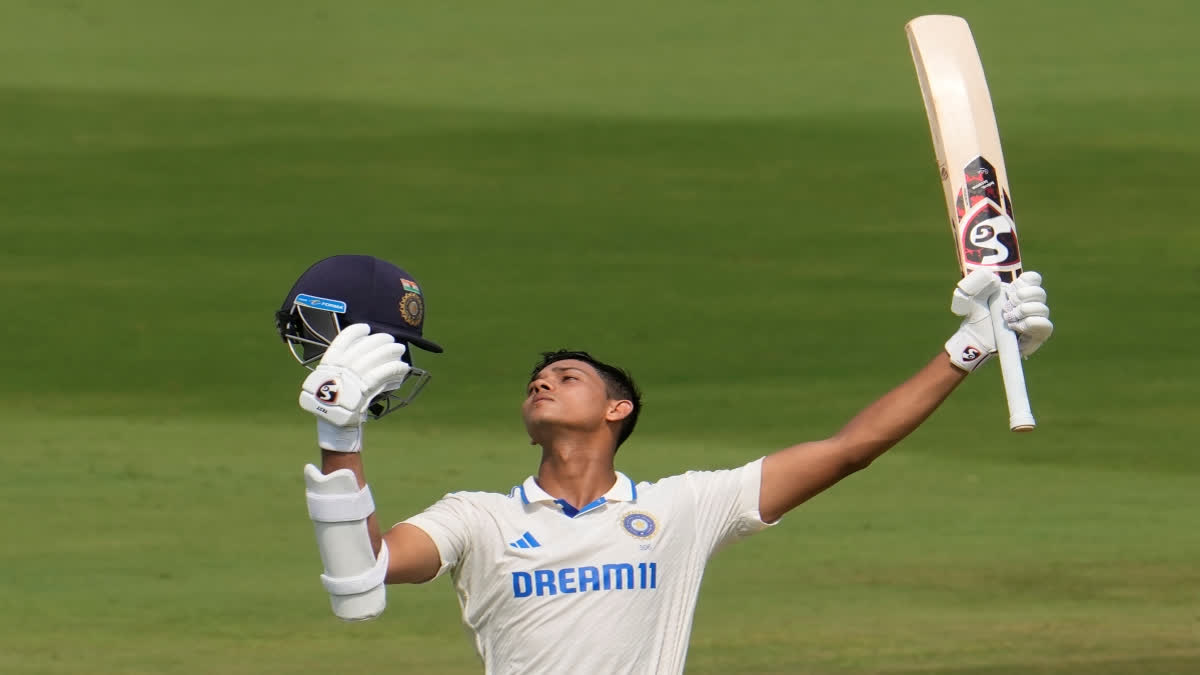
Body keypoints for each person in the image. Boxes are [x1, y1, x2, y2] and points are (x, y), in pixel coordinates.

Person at [278, 254, 1053, 674]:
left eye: (568, 376)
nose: (543, 382)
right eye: (537, 380)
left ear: (618, 409)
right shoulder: (479, 518)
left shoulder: (683, 509)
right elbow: (364, 577)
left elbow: (849, 449)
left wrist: (967, 348)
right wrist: (339, 434)